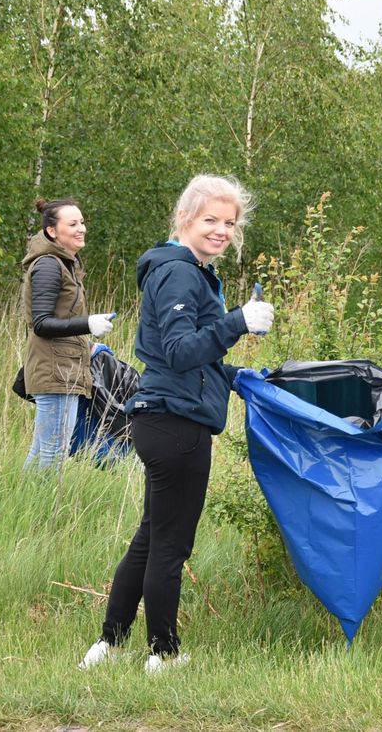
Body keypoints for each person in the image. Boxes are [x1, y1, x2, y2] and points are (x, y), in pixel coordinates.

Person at [78, 175, 274, 673]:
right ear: (184, 218)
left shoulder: (188, 270)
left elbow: (188, 359)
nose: (221, 230)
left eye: (229, 223)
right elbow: (180, 352)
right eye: (210, 220)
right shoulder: (180, 273)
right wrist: (239, 321)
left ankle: (107, 645)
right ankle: (163, 654)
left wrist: (236, 375)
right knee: (171, 544)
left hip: (166, 416)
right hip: (176, 426)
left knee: (150, 537)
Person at [21, 198, 116, 471]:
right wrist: (87, 324)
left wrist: (87, 344)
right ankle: (43, 513)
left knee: (41, 454)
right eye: (72, 224)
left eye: (82, 222)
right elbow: (41, 323)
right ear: (52, 231)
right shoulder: (49, 265)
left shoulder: (65, 264)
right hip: (55, 372)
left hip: (64, 368)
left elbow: (60, 320)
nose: (81, 228)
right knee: (53, 456)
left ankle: (28, 506)